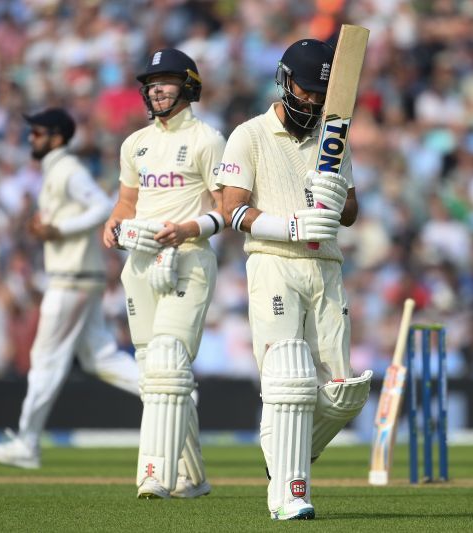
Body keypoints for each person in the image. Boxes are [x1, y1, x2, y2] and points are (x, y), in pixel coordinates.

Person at [217, 38, 373, 520]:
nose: (311, 102)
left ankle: (285, 460)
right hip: (272, 260)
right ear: (285, 82)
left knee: (344, 391)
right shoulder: (249, 134)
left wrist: (333, 194)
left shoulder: (333, 138)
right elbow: (230, 209)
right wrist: (291, 225)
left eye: (319, 96)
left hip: (326, 267)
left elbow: (349, 212)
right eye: (304, 91)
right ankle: (290, 494)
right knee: (289, 380)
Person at [0, 108, 140, 469]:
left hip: (71, 281)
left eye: (37, 132)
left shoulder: (67, 169)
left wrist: (59, 230)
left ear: (56, 136)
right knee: (100, 358)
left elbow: (102, 206)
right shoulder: (56, 170)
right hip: (78, 278)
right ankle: (169, 392)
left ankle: (27, 442)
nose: (30, 138)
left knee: (45, 361)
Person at [101, 48, 226, 499]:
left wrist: (190, 228)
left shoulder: (208, 140)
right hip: (139, 261)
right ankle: (192, 478)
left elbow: (226, 208)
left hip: (187, 258)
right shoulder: (134, 143)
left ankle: (155, 474)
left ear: (189, 85)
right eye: (151, 83)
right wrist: (112, 224)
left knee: (169, 362)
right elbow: (127, 203)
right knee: (152, 371)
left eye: (166, 81)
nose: (156, 89)